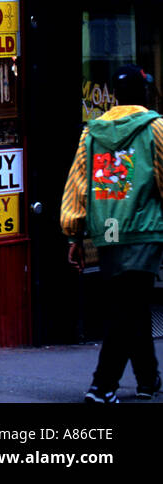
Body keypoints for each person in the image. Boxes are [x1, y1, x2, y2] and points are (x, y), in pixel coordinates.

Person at [61, 64, 163, 404]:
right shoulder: (156, 128)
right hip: (143, 230)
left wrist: (74, 235)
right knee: (129, 307)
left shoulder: (92, 133)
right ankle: (102, 386)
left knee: (128, 304)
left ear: (115, 97)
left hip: (108, 231)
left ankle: (148, 379)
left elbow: (78, 185)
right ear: (145, 93)